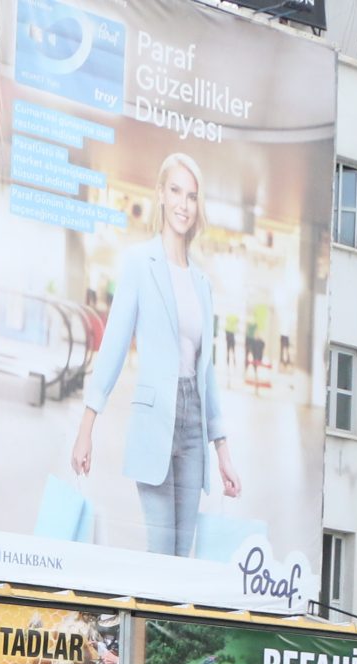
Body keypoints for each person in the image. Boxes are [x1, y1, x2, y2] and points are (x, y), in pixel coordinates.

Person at [71, 152, 241, 556]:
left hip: (194, 425)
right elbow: (113, 345)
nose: (184, 204)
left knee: (183, 559)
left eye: (192, 196)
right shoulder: (138, 264)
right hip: (154, 422)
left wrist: (224, 453)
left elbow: (207, 371)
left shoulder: (202, 283)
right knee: (161, 553)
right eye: (177, 191)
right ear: (161, 195)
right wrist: (85, 429)